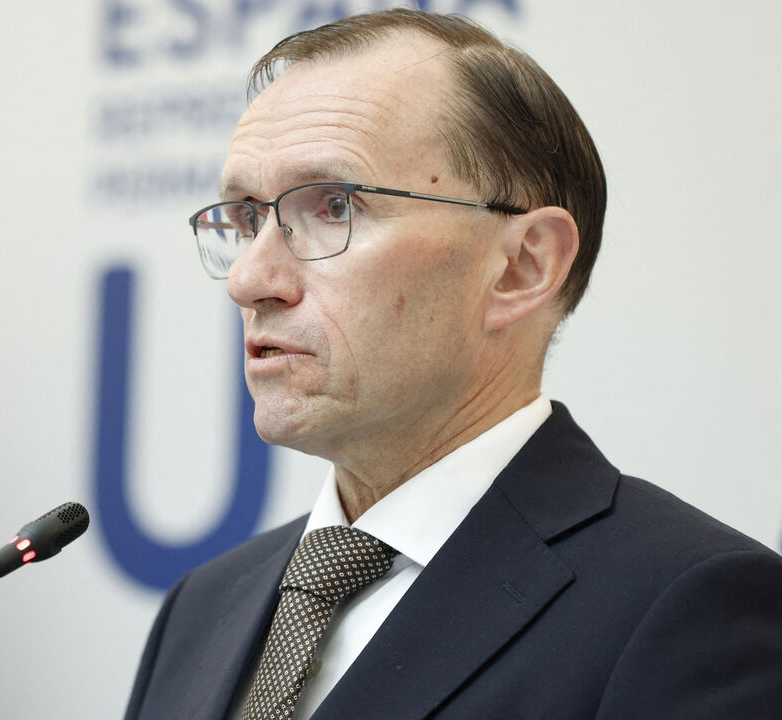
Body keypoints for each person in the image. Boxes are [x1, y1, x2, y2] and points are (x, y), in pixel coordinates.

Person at [124, 9, 782, 720]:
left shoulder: (689, 606)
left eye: (335, 205)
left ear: (520, 267)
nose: (249, 281)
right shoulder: (204, 605)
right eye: (249, 217)